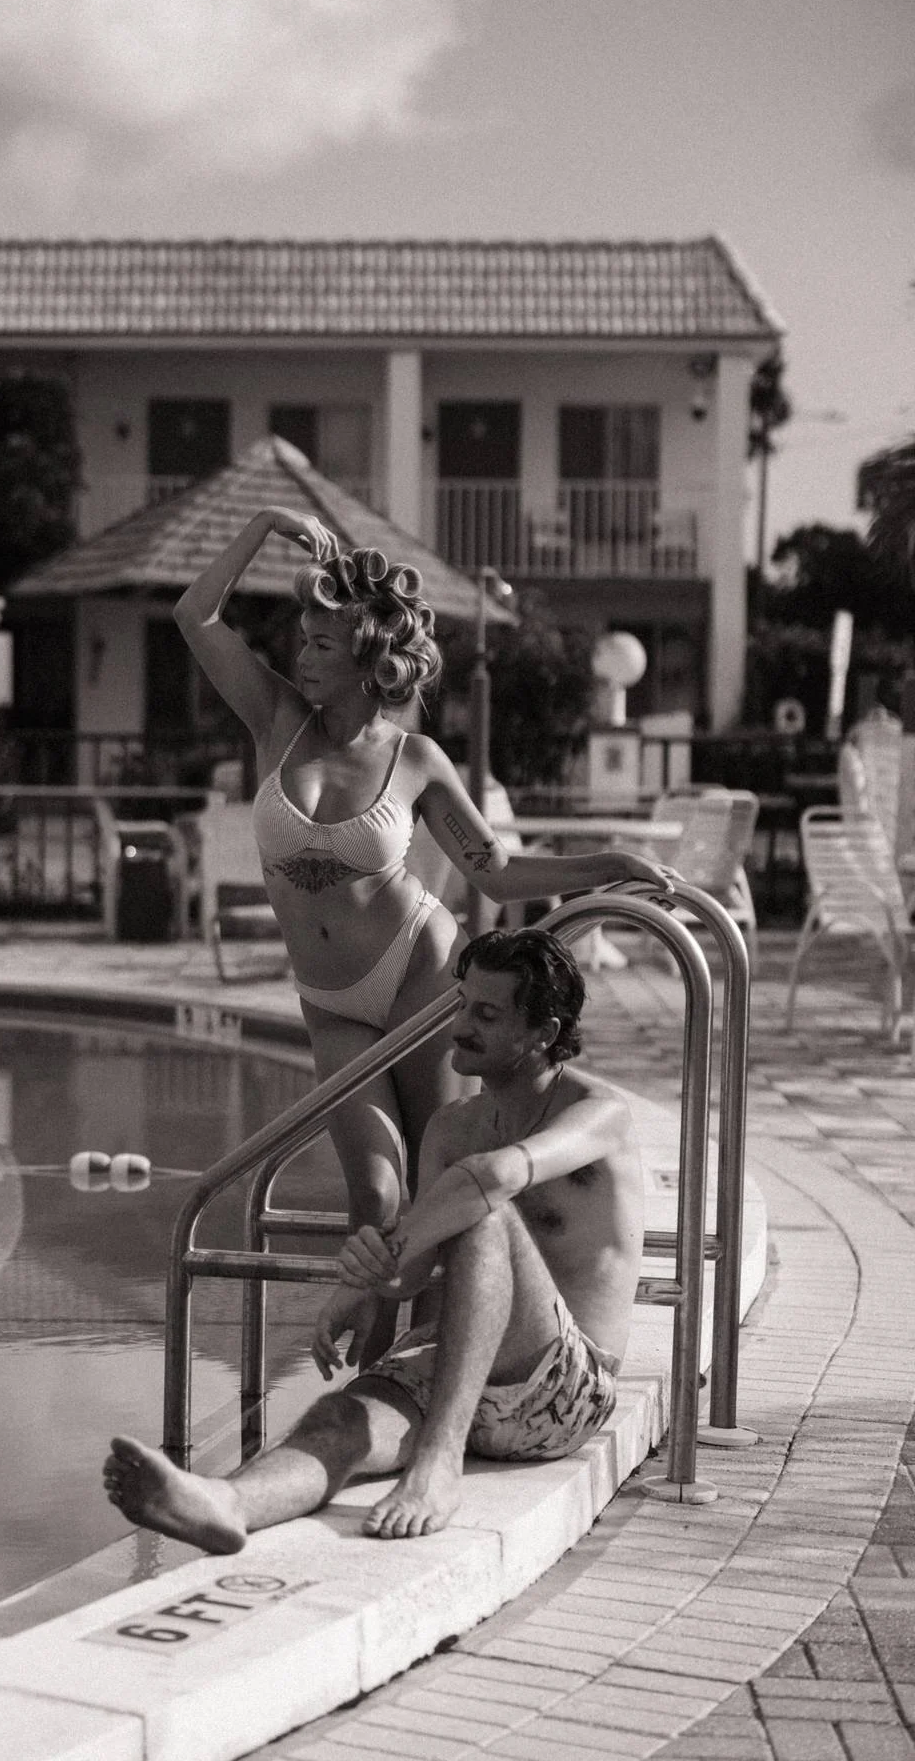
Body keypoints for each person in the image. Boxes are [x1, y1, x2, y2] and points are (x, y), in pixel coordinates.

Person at [174, 507, 666, 1258]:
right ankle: (379, 1358)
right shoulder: (275, 717)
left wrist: (609, 866)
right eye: (303, 641)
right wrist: (267, 525)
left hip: (422, 977)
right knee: (374, 1195)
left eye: (322, 645)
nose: (303, 657)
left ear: (369, 661)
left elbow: (495, 874)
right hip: (330, 1001)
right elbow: (195, 614)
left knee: (439, 1188)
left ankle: (432, 1355)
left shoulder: (416, 759)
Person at [103, 928, 644, 1550]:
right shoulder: (453, 1126)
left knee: (484, 1211)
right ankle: (227, 1503)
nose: (460, 1025)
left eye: (486, 1014)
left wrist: (364, 1271)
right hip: (459, 1372)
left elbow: (492, 1180)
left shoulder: (600, 1114)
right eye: (462, 1004)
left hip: (565, 1387)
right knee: (339, 1419)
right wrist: (377, 1276)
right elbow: (413, 1276)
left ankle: (437, 1466)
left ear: (542, 1034)